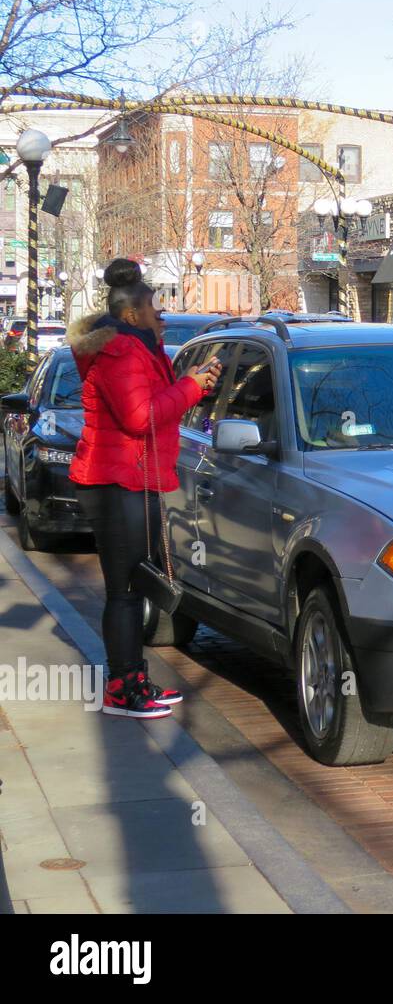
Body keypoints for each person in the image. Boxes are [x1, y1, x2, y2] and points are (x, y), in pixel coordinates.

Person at [68, 258, 223, 719]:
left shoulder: (135, 347)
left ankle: (133, 679)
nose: (163, 315)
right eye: (156, 307)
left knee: (131, 587)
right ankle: (122, 689)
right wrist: (190, 388)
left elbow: (151, 405)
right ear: (133, 313)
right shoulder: (121, 351)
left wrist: (193, 385)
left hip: (131, 478)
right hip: (116, 482)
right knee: (125, 591)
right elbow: (140, 418)